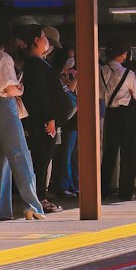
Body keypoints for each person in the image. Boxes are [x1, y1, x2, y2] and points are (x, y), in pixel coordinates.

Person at [0, 15, 46, 221]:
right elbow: (8, 88)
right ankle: (32, 205)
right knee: (21, 156)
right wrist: (20, 88)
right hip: (5, 107)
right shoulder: (3, 57)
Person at [18, 24, 68, 213]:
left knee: (42, 160)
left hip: (42, 119)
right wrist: (49, 117)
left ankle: (39, 197)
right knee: (42, 161)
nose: (47, 41)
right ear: (37, 41)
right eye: (44, 36)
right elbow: (40, 93)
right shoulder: (35, 64)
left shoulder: (36, 62)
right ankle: (40, 198)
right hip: (43, 121)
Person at [100, 41, 136, 202]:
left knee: (109, 153)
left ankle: (103, 190)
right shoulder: (128, 73)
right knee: (129, 154)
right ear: (121, 54)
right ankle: (125, 192)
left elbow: (99, 93)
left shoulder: (101, 71)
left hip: (110, 114)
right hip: (127, 114)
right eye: (125, 53)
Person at [55, 49, 79, 198]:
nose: (71, 61)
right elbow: (68, 92)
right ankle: (64, 186)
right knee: (66, 155)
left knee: (73, 155)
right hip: (67, 121)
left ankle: (74, 185)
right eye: (69, 58)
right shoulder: (57, 77)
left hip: (74, 120)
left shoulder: (70, 75)